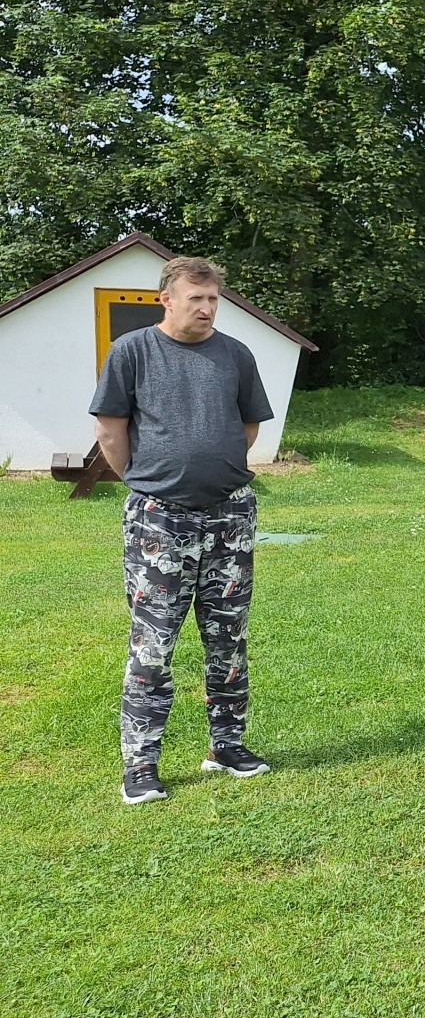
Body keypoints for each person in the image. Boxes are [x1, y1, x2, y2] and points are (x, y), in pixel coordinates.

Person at [90, 255, 276, 804]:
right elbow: (110, 429)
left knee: (228, 638)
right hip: (159, 519)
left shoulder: (235, 355)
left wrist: (211, 466)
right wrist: (149, 482)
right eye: (196, 298)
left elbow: (247, 426)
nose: (207, 308)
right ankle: (141, 766)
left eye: (213, 298)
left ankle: (227, 747)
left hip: (230, 515)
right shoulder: (132, 351)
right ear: (166, 299)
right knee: (153, 643)